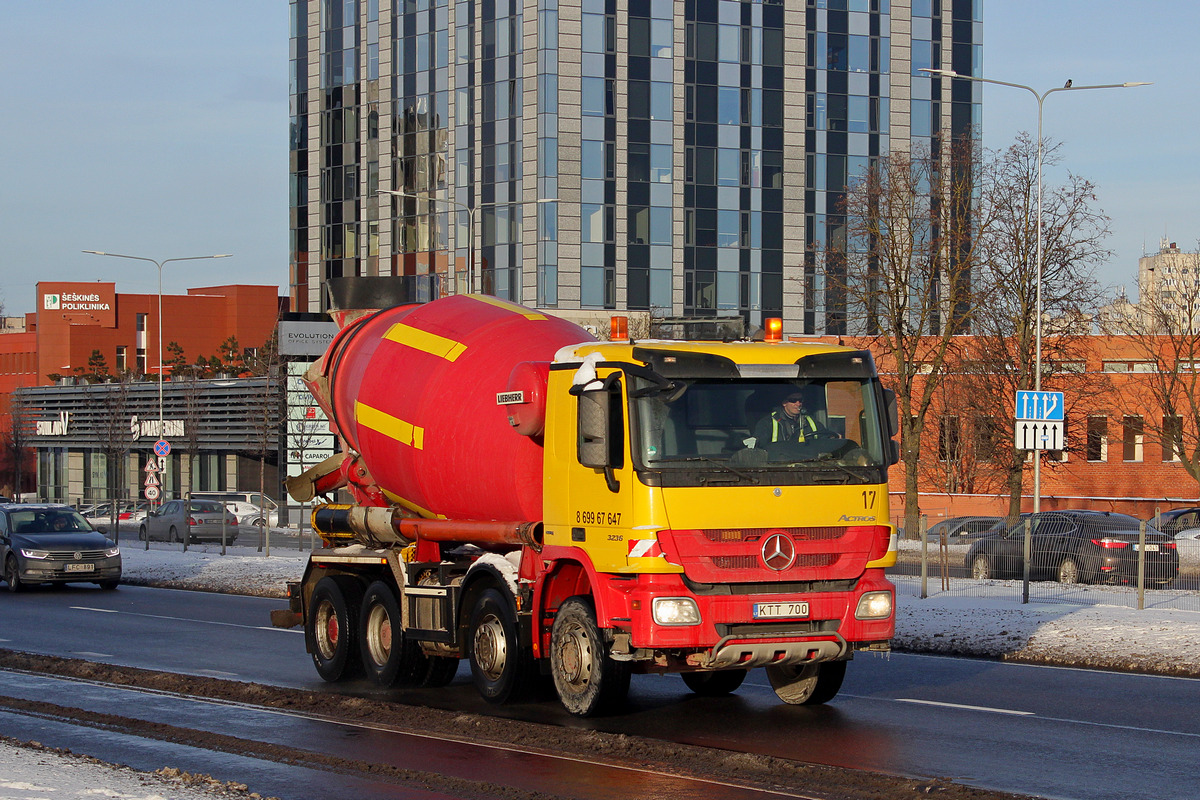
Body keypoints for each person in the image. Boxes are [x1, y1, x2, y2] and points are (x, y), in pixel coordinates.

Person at [752, 391, 837, 446]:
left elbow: (824, 439)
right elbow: (760, 447)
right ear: (784, 403)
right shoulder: (768, 423)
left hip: (807, 464)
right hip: (778, 466)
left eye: (800, 400)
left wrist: (831, 438)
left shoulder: (811, 421)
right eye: (793, 400)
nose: (798, 403)